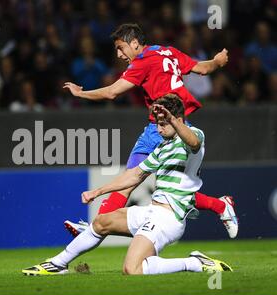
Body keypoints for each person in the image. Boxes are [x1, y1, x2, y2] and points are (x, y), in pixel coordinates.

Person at [22, 94, 233, 276]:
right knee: (101, 222)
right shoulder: (162, 147)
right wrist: (98, 191)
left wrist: (175, 122)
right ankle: (58, 264)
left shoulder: (194, 136)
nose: (158, 129)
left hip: (169, 219)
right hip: (152, 212)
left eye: (163, 123)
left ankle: (195, 263)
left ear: (177, 119)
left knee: (132, 269)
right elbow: (134, 175)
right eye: (158, 123)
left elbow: (193, 143)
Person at [62, 23, 238, 239]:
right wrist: (218, 61)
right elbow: (202, 69)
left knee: (160, 189)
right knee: (147, 183)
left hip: (169, 128)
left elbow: (111, 92)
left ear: (135, 43)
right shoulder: (168, 52)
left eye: (121, 47)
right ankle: (220, 205)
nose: (118, 54)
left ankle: (93, 227)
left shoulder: (143, 61)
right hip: (165, 128)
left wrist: (81, 94)